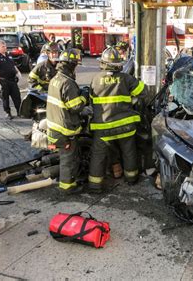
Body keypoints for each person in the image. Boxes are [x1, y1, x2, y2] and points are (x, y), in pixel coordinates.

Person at [88, 46, 146, 191]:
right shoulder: (126, 78)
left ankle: (95, 185)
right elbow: (143, 92)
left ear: (103, 63)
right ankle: (131, 178)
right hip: (125, 126)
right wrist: (131, 99)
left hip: (103, 128)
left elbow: (91, 101)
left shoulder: (95, 80)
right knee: (129, 152)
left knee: (98, 156)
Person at [46, 48, 87, 194]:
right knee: (68, 160)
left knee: (68, 158)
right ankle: (67, 188)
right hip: (65, 131)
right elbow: (76, 107)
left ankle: (71, 181)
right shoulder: (68, 83)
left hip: (54, 127)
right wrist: (84, 96)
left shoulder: (56, 78)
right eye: (75, 64)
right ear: (71, 65)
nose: (76, 67)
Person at [0, 39, 22, 120]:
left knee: (17, 97)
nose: (5, 47)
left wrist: (18, 72)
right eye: (3, 46)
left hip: (12, 80)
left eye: (5, 46)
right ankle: (8, 113)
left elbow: (13, 65)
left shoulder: (8, 55)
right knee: (5, 98)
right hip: (3, 81)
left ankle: (19, 112)